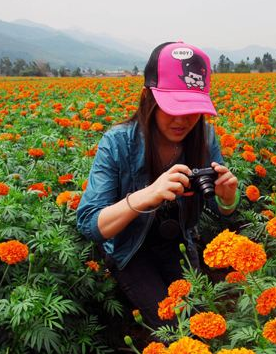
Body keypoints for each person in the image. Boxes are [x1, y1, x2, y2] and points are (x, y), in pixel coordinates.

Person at [76, 41, 239, 328]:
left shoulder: (204, 136)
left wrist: (227, 197)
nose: (182, 119)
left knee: (201, 321)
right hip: (130, 249)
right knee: (173, 327)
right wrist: (146, 196)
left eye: (191, 108)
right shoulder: (118, 142)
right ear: (148, 98)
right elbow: (90, 223)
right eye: (172, 106)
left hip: (177, 243)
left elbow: (221, 209)